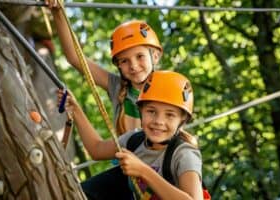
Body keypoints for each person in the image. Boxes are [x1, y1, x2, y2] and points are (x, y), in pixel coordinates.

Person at [57, 70, 203, 200]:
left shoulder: (183, 155)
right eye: (151, 111)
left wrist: (143, 171)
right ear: (141, 111)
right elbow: (97, 149)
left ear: (182, 120)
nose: (159, 121)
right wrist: (75, 109)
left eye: (170, 115)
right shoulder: (134, 141)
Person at [46, 0, 162, 134]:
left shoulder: (168, 88)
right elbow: (75, 57)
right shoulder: (117, 87)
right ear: (118, 65)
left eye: (140, 56)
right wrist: (58, 11)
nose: (133, 66)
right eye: (124, 61)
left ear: (155, 56)